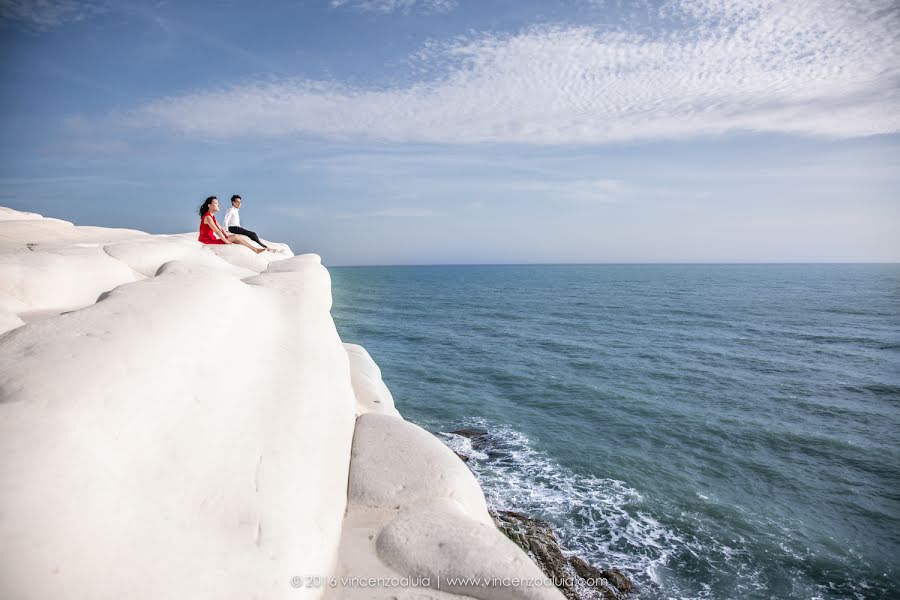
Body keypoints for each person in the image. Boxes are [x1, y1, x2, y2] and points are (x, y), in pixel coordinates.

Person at [198, 196, 266, 254]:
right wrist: (226, 241)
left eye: (218, 203)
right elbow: (217, 231)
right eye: (215, 203)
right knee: (236, 237)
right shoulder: (208, 217)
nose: (218, 205)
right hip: (207, 241)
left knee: (235, 237)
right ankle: (255, 249)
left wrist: (227, 236)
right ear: (209, 205)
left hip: (212, 240)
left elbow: (221, 229)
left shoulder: (212, 217)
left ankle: (254, 249)